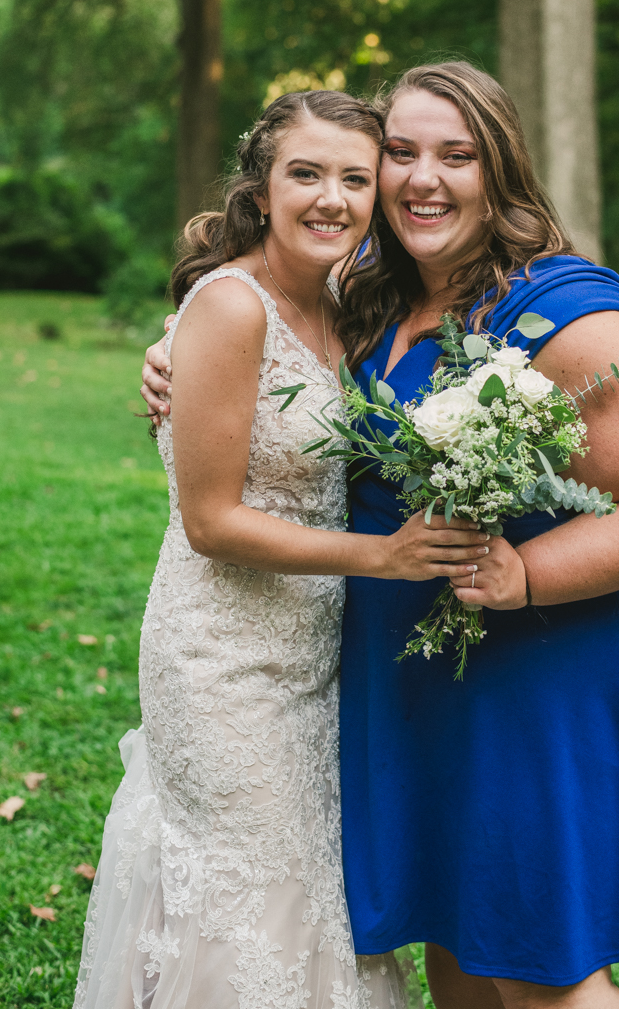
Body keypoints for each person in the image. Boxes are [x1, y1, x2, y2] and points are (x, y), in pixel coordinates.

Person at [141, 63, 619, 1009]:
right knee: (461, 946)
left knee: (540, 970)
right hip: (439, 675)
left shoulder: (556, 309)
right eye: (402, 154)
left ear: (499, 172)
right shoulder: (377, 296)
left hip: (546, 666)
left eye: (455, 155)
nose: (423, 178)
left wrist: (525, 573)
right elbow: (261, 323)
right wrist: (178, 360)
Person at [76, 89, 486, 1009]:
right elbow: (211, 523)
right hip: (219, 657)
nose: (332, 198)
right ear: (261, 189)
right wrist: (380, 557)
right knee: (248, 894)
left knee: (313, 895)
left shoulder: (345, 302)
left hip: (313, 657)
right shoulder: (233, 306)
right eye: (306, 174)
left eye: (353, 177)